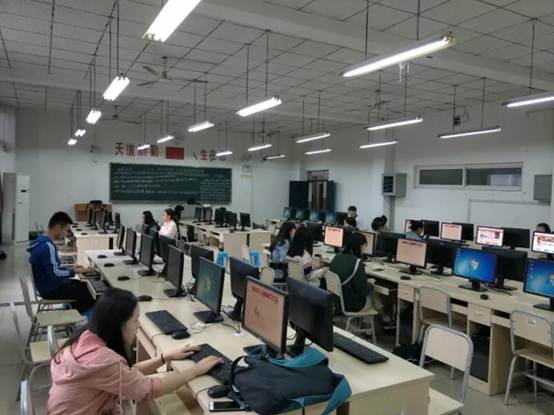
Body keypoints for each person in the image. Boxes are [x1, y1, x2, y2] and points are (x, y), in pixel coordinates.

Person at [48, 288, 222, 415]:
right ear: (118, 325)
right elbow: (147, 390)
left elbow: (125, 373)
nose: (138, 325)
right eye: (136, 320)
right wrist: (195, 370)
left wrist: (165, 357)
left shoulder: (87, 338)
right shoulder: (101, 360)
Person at [28, 212, 95, 315]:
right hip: (50, 289)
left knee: (84, 285)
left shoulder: (41, 241)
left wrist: (71, 267)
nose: (66, 234)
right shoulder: (47, 247)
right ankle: (74, 317)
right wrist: (74, 271)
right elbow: (55, 273)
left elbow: (54, 267)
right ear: (57, 228)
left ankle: (71, 313)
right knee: (91, 293)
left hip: (47, 285)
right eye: (66, 230)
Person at [328, 232, 373, 312]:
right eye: (364, 246)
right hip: (349, 305)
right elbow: (362, 291)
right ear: (360, 246)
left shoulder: (337, 256)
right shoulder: (357, 262)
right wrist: (371, 285)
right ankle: (384, 318)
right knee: (375, 298)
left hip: (335, 302)